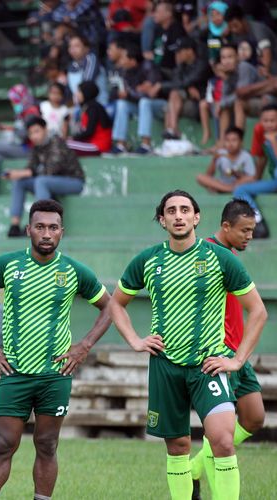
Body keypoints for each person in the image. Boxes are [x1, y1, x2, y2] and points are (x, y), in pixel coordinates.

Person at [108, 190, 268, 500]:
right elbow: (116, 303)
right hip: (165, 366)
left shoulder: (219, 257)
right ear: (162, 219)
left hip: (209, 364)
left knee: (221, 441)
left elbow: (258, 311)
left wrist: (236, 360)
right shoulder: (148, 259)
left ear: (196, 217)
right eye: (171, 211)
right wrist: (135, 340)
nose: (178, 215)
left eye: (185, 210)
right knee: (178, 446)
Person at [0, 198, 112, 500]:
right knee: (4, 444)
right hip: (14, 373)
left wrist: (84, 346)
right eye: (40, 227)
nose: (47, 234)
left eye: (53, 228)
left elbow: (110, 307)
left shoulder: (74, 270)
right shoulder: (7, 265)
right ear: (28, 230)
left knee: (47, 445)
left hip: (54, 375)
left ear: (62, 232)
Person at [189, 199, 265, 499]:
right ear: (225, 226)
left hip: (237, 353)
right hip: (219, 354)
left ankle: (195, 468)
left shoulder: (229, 254)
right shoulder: (206, 254)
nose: (249, 236)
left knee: (255, 417)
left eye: (252, 230)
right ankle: (199, 476)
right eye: (244, 230)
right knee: (222, 436)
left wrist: (239, 356)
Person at [5, 117, 85, 237]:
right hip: (51, 182)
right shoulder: (36, 148)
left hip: (73, 182)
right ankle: (14, 226)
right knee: (20, 182)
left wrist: (25, 173)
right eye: (31, 133)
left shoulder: (57, 142)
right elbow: (30, 167)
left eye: (37, 131)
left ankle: (41, 225)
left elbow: (51, 169)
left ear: (45, 129)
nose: (34, 136)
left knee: (41, 181)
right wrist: (17, 174)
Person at [233, 103, 277, 238]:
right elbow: (262, 157)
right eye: (265, 121)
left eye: (273, 121)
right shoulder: (260, 131)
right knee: (240, 191)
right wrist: (255, 177)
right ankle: (258, 223)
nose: (269, 124)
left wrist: (273, 142)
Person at [196, 127, 256, 193]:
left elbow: (252, 178)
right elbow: (209, 175)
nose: (230, 144)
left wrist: (236, 173)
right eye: (227, 140)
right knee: (200, 177)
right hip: (222, 183)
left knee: (249, 179)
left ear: (241, 142)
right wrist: (214, 160)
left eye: (234, 140)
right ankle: (227, 189)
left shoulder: (246, 156)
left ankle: (222, 189)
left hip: (238, 183)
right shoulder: (221, 153)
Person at [66, 81, 112, 155]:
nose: (76, 94)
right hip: (91, 144)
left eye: (79, 91)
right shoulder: (88, 106)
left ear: (86, 93)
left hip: (98, 146)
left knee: (65, 145)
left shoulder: (94, 108)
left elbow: (90, 131)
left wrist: (73, 138)